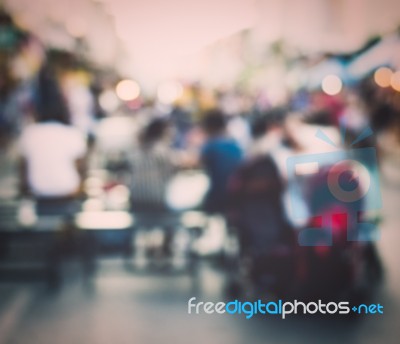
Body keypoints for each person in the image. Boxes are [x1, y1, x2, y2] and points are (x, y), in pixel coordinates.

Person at [19, 65, 87, 215]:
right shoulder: (72, 133)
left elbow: (23, 173)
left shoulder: (29, 133)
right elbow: (82, 169)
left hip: (39, 195)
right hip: (68, 193)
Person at [200, 109, 243, 214]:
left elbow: (198, 162)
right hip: (237, 195)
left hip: (219, 195)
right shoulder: (235, 144)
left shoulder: (210, 146)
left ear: (209, 127)